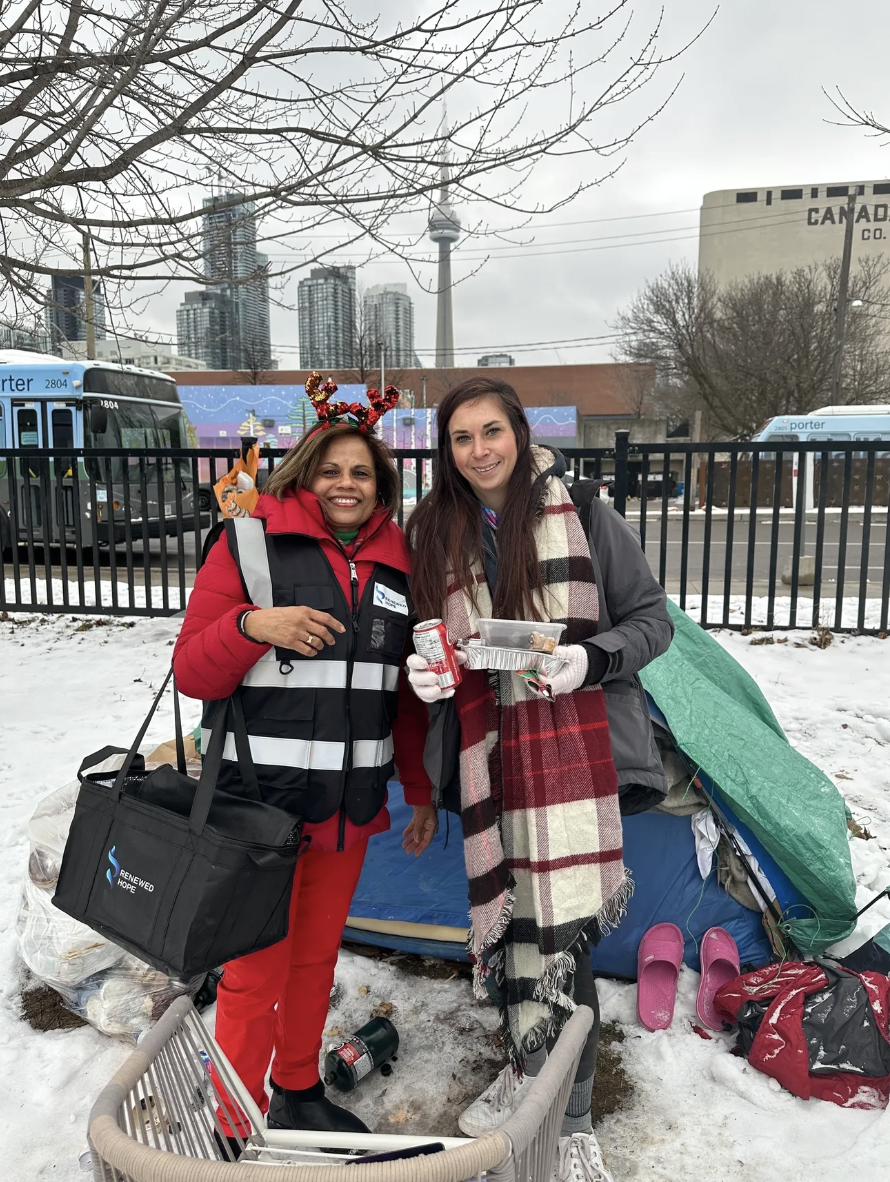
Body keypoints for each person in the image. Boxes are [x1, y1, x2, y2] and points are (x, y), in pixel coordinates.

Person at [406, 377, 673, 1182]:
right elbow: (427, 637)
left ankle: (574, 1122)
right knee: (510, 931)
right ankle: (527, 1072)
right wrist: (428, 675)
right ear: (446, 450)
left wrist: (590, 658)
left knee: (562, 939)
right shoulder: (432, 529)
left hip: (571, 759)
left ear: (520, 433)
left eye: (491, 431)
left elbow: (652, 620)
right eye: (461, 438)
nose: (479, 450)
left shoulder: (582, 509)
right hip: (487, 761)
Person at [173, 380, 436, 1153]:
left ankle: (295, 1094)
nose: (346, 485)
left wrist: (419, 792)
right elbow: (192, 671)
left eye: (362, 473)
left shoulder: (399, 566)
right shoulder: (248, 542)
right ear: (305, 472)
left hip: (348, 812)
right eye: (331, 470)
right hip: (260, 812)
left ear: (381, 485)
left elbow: (404, 699)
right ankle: (233, 1125)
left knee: (316, 961)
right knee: (254, 974)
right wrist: (254, 625)